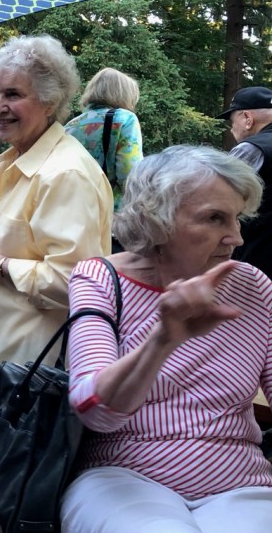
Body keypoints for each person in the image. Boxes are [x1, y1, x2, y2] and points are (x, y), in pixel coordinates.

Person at [61, 145, 272, 532]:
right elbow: (94, 408)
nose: (236, 238)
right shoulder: (100, 278)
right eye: (214, 218)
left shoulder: (253, 285)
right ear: (155, 220)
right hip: (124, 476)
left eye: (237, 219)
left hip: (242, 483)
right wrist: (163, 339)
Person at [0, 34, 113, 399]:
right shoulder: (19, 162)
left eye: (14, 95)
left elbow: (74, 283)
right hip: (11, 363)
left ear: (50, 102)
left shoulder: (64, 173)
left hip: (39, 372)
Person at [64, 67, 143, 213]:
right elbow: (130, 174)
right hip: (110, 212)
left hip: (75, 208)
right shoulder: (124, 119)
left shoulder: (71, 125)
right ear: (123, 94)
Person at [217, 86, 272, 279]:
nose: (232, 129)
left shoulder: (252, 149)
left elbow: (216, 197)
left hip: (260, 258)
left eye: (232, 122)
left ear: (248, 119)